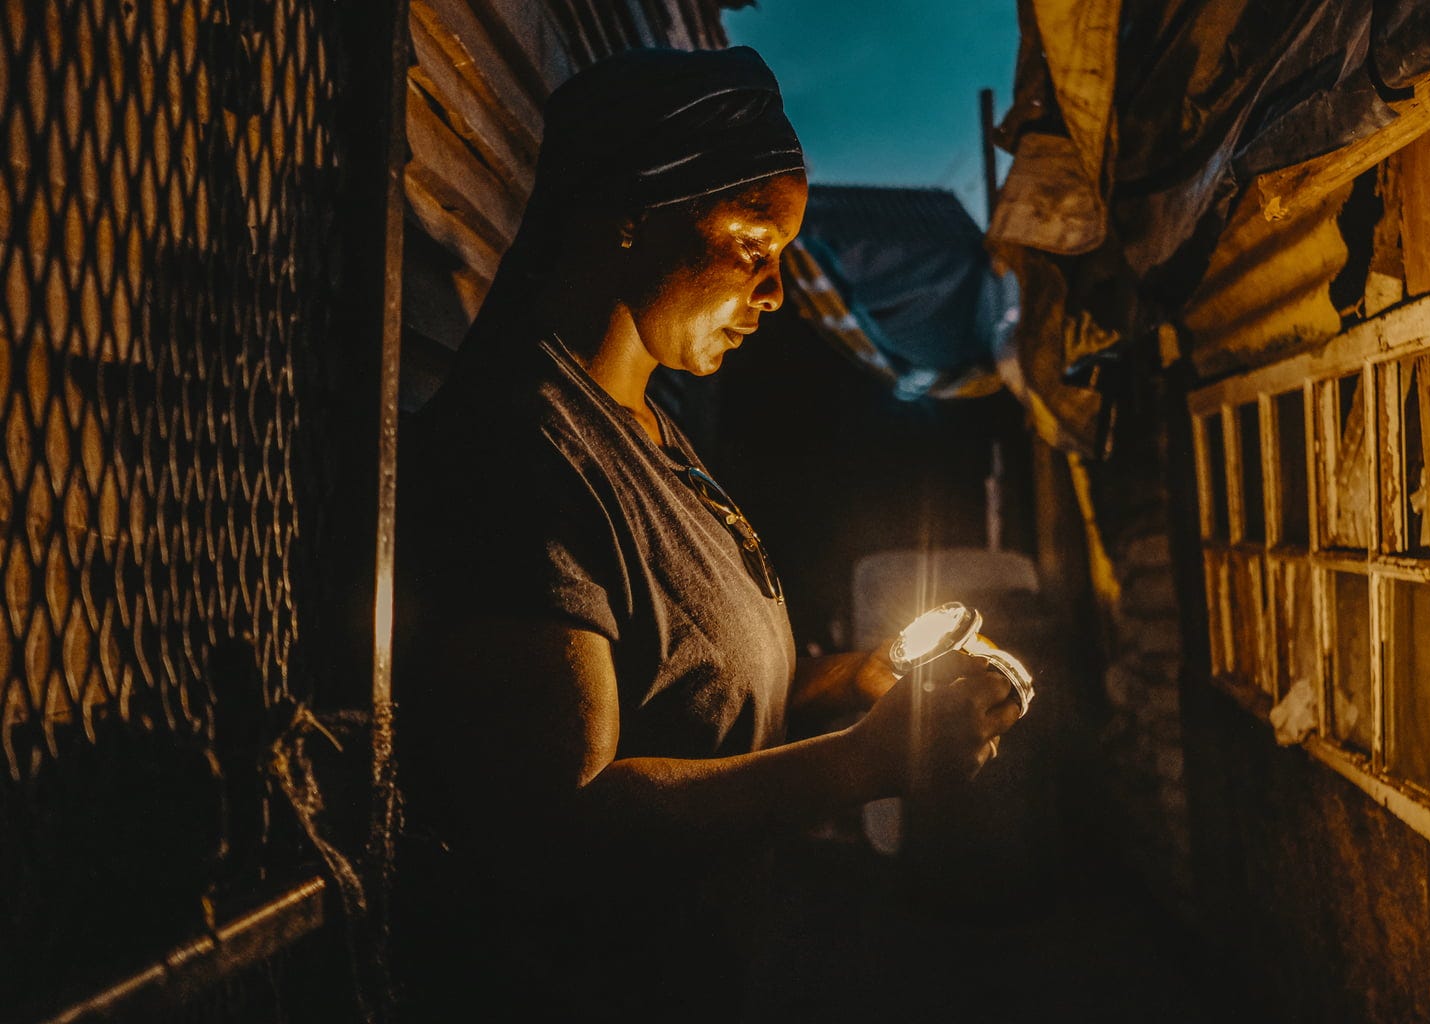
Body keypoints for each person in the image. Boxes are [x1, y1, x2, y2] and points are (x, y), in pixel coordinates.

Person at [393, 47, 1025, 1020]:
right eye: (753, 244)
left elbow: (686, 691)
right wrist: (866, 762)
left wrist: (853, 681)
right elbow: (555, 823)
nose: (775, 293)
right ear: (633, 214)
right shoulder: (521, 452)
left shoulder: (651, 437)